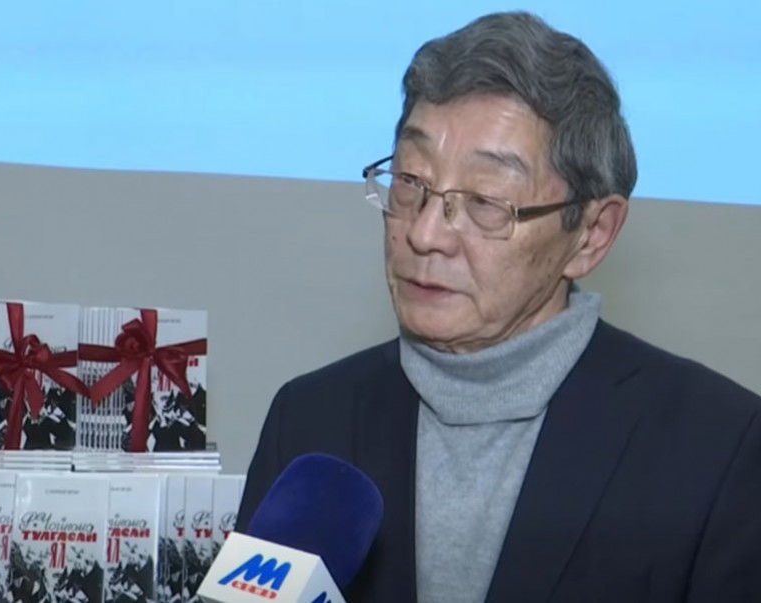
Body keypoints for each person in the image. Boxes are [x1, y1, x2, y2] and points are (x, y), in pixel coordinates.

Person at [237, 11, 761, 603]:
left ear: (591, 235)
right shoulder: (309, 419)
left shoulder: (719, 446)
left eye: (486, 201)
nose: (424, 234)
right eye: (410, 182)